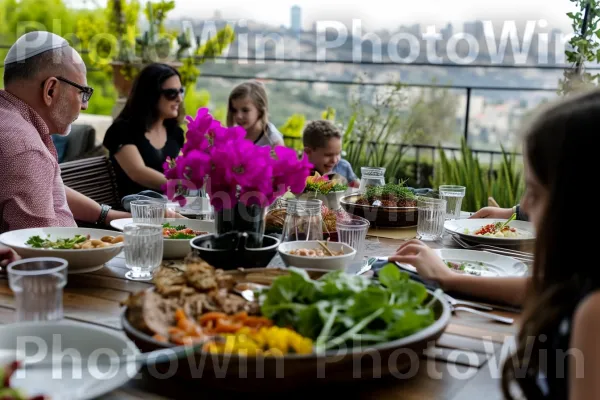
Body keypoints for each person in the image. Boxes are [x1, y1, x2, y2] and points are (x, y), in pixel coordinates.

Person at [389, 89, 598, 399]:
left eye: (535, 192)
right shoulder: (582, 283)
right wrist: (449, 277)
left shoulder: (594, 315)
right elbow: (543, 286)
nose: (524, 205)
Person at [0, 31, 131, 233]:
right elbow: (41, 253)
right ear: (51, 90)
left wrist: (108, 215)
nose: (85, 106)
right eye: (83, 92)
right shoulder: (26, 149)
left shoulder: (11, 121)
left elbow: (40, 187)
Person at [103, 63, 185, 199]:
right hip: (132, 212)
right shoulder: (122, 130)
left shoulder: (175, 133)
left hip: (170, 209)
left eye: (181, 91)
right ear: (151, 95)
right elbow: (137, 172)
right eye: (171, 93)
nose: (179, 99)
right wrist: (182, 186)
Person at [302, 120, 360, 187]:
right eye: (328, 155)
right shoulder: (300, 174)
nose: (335, 160)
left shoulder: (343, 167)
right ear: (308, 152)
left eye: (338, 153)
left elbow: (359, 189)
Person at [226, 81, 284, 147]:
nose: (238, 116)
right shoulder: (233, 136)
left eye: (245, 110)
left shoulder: (273, 140)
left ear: (260, 110)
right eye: (234, 110)